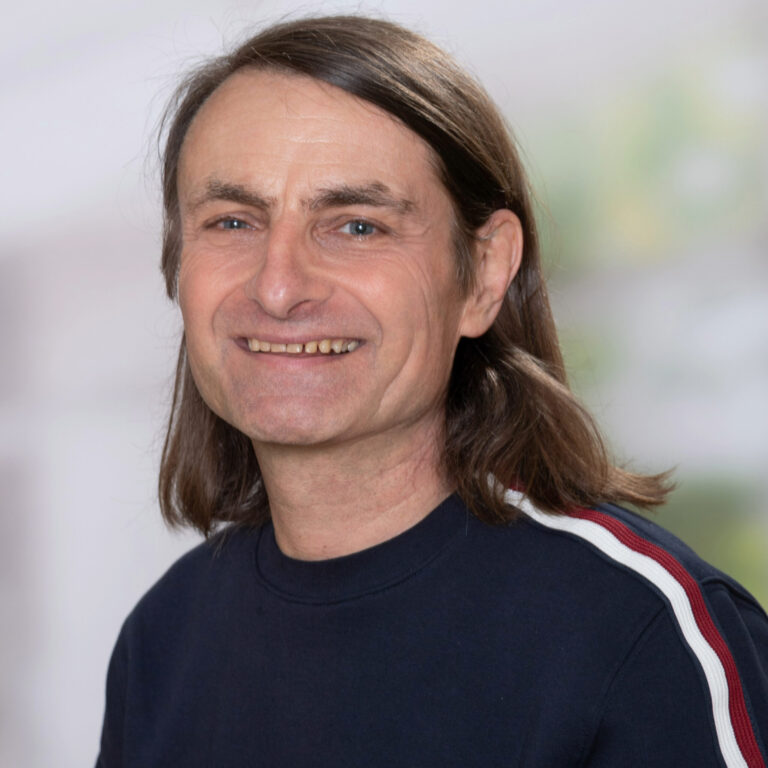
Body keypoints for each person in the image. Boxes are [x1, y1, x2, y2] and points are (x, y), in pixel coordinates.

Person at [96, 15, 768, 767]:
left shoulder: (638, 631)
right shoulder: (164, 641)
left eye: (357, 226)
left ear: (483, 274)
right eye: (232, 221)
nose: (278, 287)